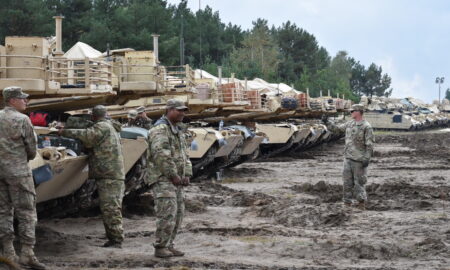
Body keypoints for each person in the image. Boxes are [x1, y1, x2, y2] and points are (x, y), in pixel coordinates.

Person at [58, 105, 126, 248]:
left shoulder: (101, 127)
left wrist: (64, 131)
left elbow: (87, 136)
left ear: (93, 117)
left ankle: (116, 240)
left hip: (109, 174)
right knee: (111, 206)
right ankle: (115, 237)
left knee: (110, 207)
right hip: (111, 173)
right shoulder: (109, 125)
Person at [0, 86, 47, 269]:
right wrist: (19, 161)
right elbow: (31, 149)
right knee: (26, 212)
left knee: (3, 211)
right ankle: (27, 253)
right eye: (22, 98)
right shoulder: (22, 119)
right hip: (19, 172)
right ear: (12, 100)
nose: (25, 101)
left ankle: (8, 252)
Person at [147, 99, 192, 258]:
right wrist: (173, 175)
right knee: (167, 213)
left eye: (184, 110)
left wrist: (187, 174)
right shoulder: (160, 130)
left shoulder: (176, 129)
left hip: (177, 179)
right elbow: (161, 156)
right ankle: (160, 247)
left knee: (178, 213)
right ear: (169, 110)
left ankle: (169, 244)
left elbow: (185, 154)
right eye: (179, 110)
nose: (182, 113)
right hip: (163, 179)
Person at [323, 104, 374, 210]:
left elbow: (369, 144)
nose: (350, 113)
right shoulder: (350, 124)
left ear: (359, 112)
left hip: (359, 159)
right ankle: (347, 203)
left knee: (359, 183)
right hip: (348, 158)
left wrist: (367, 157)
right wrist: (326, 122)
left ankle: (361, 204)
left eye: (352, 111)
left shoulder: (366, 126)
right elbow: (337, 129)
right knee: (347, 182)